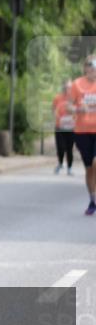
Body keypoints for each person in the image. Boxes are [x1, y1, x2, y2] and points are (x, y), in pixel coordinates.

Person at [68, 55, 96, 215]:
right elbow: (69, 107)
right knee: (89, 169)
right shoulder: (77, 85)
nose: (93, 68)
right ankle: (93, 200)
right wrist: (79, 109)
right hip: (82, 132)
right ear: (85, 68)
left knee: (95, 162)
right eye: (90, 65)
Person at [52, 79, 76, 175]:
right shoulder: (58, 98)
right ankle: (60, 163)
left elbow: (78, 111)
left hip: (71, 127)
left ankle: (69, 168)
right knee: (60, 147)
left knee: (69, 149)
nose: (68, 89)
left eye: (69, 87)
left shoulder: (74, 99)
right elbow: (53, 109)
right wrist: (57, 116)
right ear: (63, 88)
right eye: (66, 87)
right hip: (60, 126)